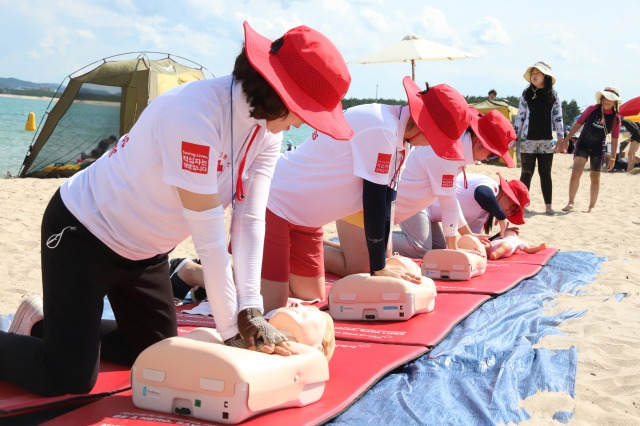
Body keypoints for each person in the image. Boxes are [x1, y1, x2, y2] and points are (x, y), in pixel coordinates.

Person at [0, 21, 353, 397]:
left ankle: (42, 324)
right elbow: (210, 239)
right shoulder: (194, 114)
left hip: (146, 252)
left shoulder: (267, 131)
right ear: (277, 93)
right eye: (304, 110)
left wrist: (250, 309)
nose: (302, 122)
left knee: (153, 354)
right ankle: (62, 343)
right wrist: (232, 331)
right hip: (84, 234)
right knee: (68, 377)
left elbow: (250, 220)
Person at [260, 78, 473, 312]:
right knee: (272, 308)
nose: (431, 147)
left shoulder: (401, 139)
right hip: (277, 204)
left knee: (310, 295)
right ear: (423, 126)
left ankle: (260, 270)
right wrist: (378, 267)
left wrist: (384, 261)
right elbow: (373, 200)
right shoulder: (381, 127)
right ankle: (238, 271)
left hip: (306, 222)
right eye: (435, 140)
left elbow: (388, 199)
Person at [324, 109, 518, 277]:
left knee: (379, 259)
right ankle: (304, 249)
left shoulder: (459, 150)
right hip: (370, 208)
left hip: (386, 210)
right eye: (492, 155)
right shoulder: (450, 152)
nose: (488, 160)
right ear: (480, 144)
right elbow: (448, 202)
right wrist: (454, 248)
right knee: (358, 268)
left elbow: (450, 200)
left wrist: (466, 236)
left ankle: (317, 244)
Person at [391, 172, 529, 259]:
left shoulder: (483, 214)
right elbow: (482, 194)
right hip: (417, 198)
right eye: (512, 206)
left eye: (513, 212)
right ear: (505, 193)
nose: (509, 212)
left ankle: (389, 237)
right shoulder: (490, 185)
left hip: (428, 211)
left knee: (437, 250)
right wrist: (500, 215)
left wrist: (499, 237)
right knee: (421, 249)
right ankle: (375, 237)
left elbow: (472, 241)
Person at [513, 61, 565, 216]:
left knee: (545, 173)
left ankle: (548, 206)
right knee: (526, 173)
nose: (534, 76)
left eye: (538, 73)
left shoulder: (554, 95)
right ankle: (522, 205)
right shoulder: (526, 93)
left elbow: (558, 118)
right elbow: (520, 117)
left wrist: (561, 137)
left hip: (547, 141)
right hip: (527, 140)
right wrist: (514, 136)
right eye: (532, 73)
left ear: (545, 76)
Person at [561, 87, 622, 213]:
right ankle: (571, 202)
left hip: (598, 148)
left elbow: (615, 139)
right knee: (576, 172)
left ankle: (592, 207)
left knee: (595, 177)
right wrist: (566, 139)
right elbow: (578, 124)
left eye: (610, 99)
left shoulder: (616, 118)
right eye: (605, 97)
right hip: (583, 144)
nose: (607, 101)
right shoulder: (592, 109)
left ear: (615, 102)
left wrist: (612, 158)